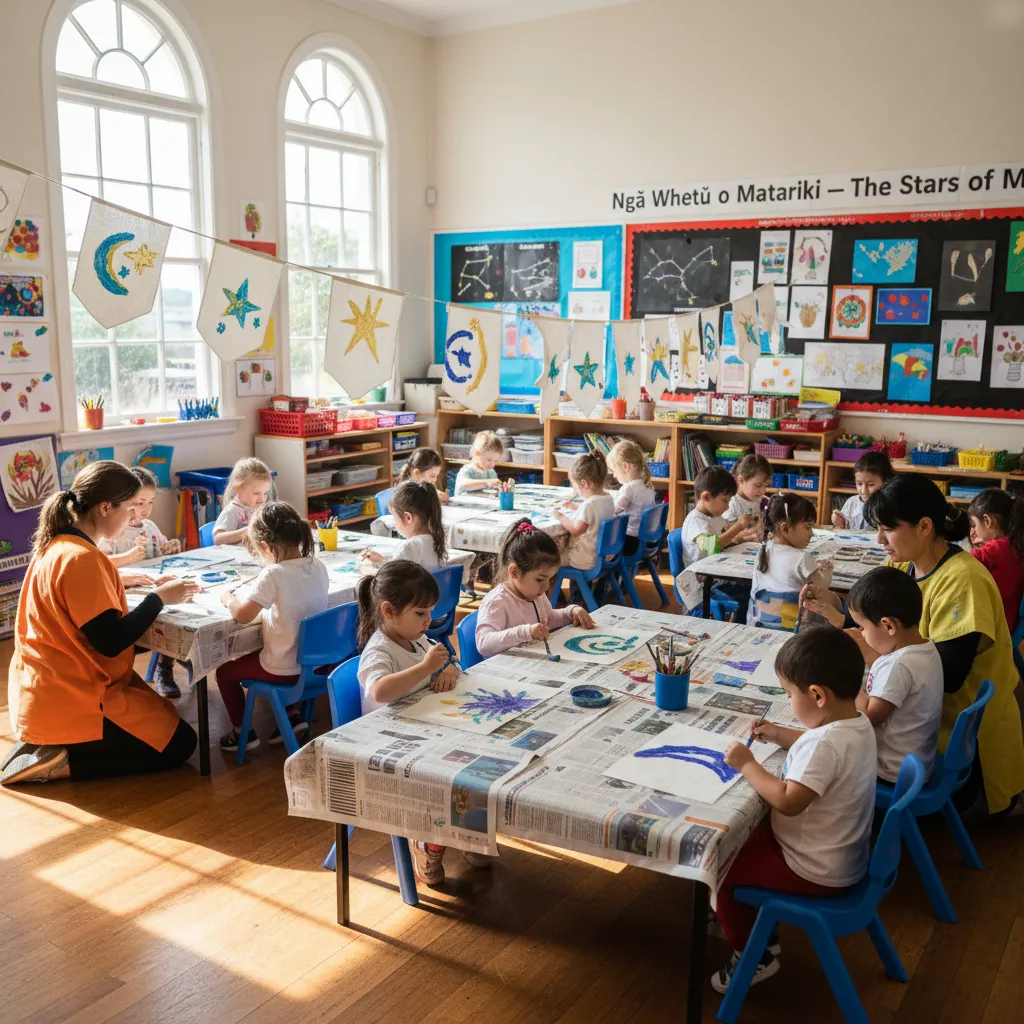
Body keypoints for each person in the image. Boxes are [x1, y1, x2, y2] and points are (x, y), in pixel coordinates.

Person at [804, 474, 1024, 814]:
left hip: (949, 742)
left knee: (833, 745)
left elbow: (948, 676)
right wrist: (835, 608)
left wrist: (869, 653)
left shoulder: (962, 579)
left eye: (888, 529)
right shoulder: (907, 563)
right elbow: (880, 628)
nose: (879, 539)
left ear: (924, 526)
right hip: (917, 721)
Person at [2, 462, 198, 785]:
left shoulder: (56, 545)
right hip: (72, 694)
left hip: (44, 688)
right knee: (181, 744)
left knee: (163, 715)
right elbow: (110, 641)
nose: (134, 519)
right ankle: (63, 762)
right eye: (130, 508)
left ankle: (52, 742)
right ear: (105, 507)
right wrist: (159, 598)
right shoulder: (82, 558)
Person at [713, 628, 876, 994]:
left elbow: (787, 799)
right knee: (745, 838)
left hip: (814, 869)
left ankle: (754, 955)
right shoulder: (856, 722)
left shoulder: (826, 745)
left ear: (818, 695)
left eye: (790, 694)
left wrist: (748, 764)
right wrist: (778, 734)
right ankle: (760, 933)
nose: (789, 702)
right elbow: (819, 743)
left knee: (720, 869)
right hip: (841, 856)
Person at [356, 560, 486, 885]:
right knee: (446, 776)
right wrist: (426, 669)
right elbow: (380, 689)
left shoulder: (415, 638)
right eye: (420, 613)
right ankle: (426, 842)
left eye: (430, 612)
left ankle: (466, 831)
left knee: (480, 758)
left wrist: (450, 669)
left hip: (423, 725)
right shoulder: (379, 650)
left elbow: (448, 659)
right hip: (391, 745)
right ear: (388, 610)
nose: (429, 622)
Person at [215, 502, 329, 753]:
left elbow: (244, 616)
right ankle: (292, 715)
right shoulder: (316, 564)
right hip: (316, 665)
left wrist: (227, 599)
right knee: (280, 646)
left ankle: (240, 732)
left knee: (224, 672)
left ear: (266, 547)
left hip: (284, 669)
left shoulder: (273, 574)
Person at [846, 566, 943, 782]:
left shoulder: (899, 666)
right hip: (917, 760)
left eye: (862, 628)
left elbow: (869, 716)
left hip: (891, 771)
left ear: (888, 625)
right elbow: (885, 668)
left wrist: (845, 681)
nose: (861, 634)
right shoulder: (925, 647)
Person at [98, 466, 183, 697]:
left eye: (151, 502)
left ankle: (165, 668)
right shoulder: (114, 530)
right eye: (139, 502)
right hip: (126, 595)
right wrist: (128, 557)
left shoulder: (151, 528)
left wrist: (171, 548)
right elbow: (100, 563)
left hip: (152, 589)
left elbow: (162, 552)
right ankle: (124, 679)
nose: (145, 510)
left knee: (176, 613)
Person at [476, 519, 594, 658]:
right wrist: (526, 632)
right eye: (540, 579)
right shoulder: (497, 602)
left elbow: (548, 619)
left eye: (549, 579)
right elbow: (483, 644)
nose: (546, 586)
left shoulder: (535, 594)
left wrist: (570, 612)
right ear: (514, 572)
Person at [748, 493, 818, 630]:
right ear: (785, 529)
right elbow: (819, 591)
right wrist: (826, 572)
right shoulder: (802, 558)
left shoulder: (763, 551)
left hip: (757, 626)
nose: (812, 533)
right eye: (808, 527)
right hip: (793, 632)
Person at [967, 488, 1024, 629]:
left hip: (990, 629)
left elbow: (959, 564)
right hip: (1010, 625)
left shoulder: (993, 551)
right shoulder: (1016, 545)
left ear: (987, 520)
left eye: (974, 525)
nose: (973, 532)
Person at [362, 481, 447, 571]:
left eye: (395, 518)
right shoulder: (436, 540)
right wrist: (381, 561)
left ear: (408, 517)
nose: (395, 523)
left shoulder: (408, 547)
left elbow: (388, 578)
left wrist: (367, 568)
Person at [680, 466, 756, 568]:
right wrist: (739, 526)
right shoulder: (696, 523)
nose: (727, 506)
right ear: (706, 497)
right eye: (725, 500)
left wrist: (736, 538)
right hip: (701, 578)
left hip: (716, 569)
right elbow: (713, 547)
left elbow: (723, 539)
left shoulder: (715, 516)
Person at [556, 450, 615, 571]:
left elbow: (576, 530)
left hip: (585, 558)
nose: (577, 491)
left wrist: (560, 516)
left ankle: (555, 590)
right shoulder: (608, 498)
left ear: (585, 483)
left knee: (550, 559)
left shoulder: (589, 505)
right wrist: (577, 507)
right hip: (604, 555)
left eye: (576, 487)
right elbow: (596, 514)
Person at [607, 440, 657, 556]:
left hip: (630, 543)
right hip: (645, 540)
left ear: (625, 467)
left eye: (614, 470)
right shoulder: (648, 485)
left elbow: (612, 511)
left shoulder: (628, 488)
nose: (614, 475)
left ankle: (606, 571)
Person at [213, 457, 273, 545]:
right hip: (234, 557)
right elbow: (218, 539)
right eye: (256, 493)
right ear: (239, 489)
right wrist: (245, 531)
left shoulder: (257, 509)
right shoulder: (232, 511)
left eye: (265, 493)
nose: (262, 499)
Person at [830, 451, 892, 530]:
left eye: (871, 485)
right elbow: (844, 529)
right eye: (859, 484)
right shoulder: (851, 502)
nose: (863, 490)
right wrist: (840, 522)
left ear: (885, 481)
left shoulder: (889, 505)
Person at [724, 454, 772, 524]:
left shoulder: (760, 498)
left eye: (766, 486)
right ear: (741, 480)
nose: (763, 491)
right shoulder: (731, 505)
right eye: (758, 485)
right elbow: (726, 533)